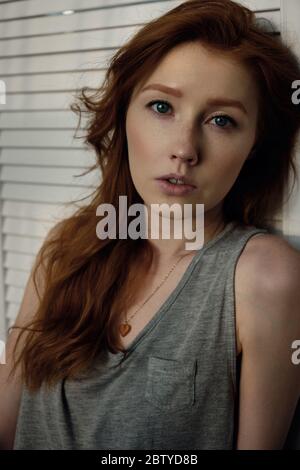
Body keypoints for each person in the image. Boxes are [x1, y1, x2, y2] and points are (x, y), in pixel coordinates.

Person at [1, 0, 300, 450]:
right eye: (162, 107)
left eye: (222, 121)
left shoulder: (263, 276)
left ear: (253, 145)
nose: (184, 148)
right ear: (124, 116)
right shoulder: (65, 246)